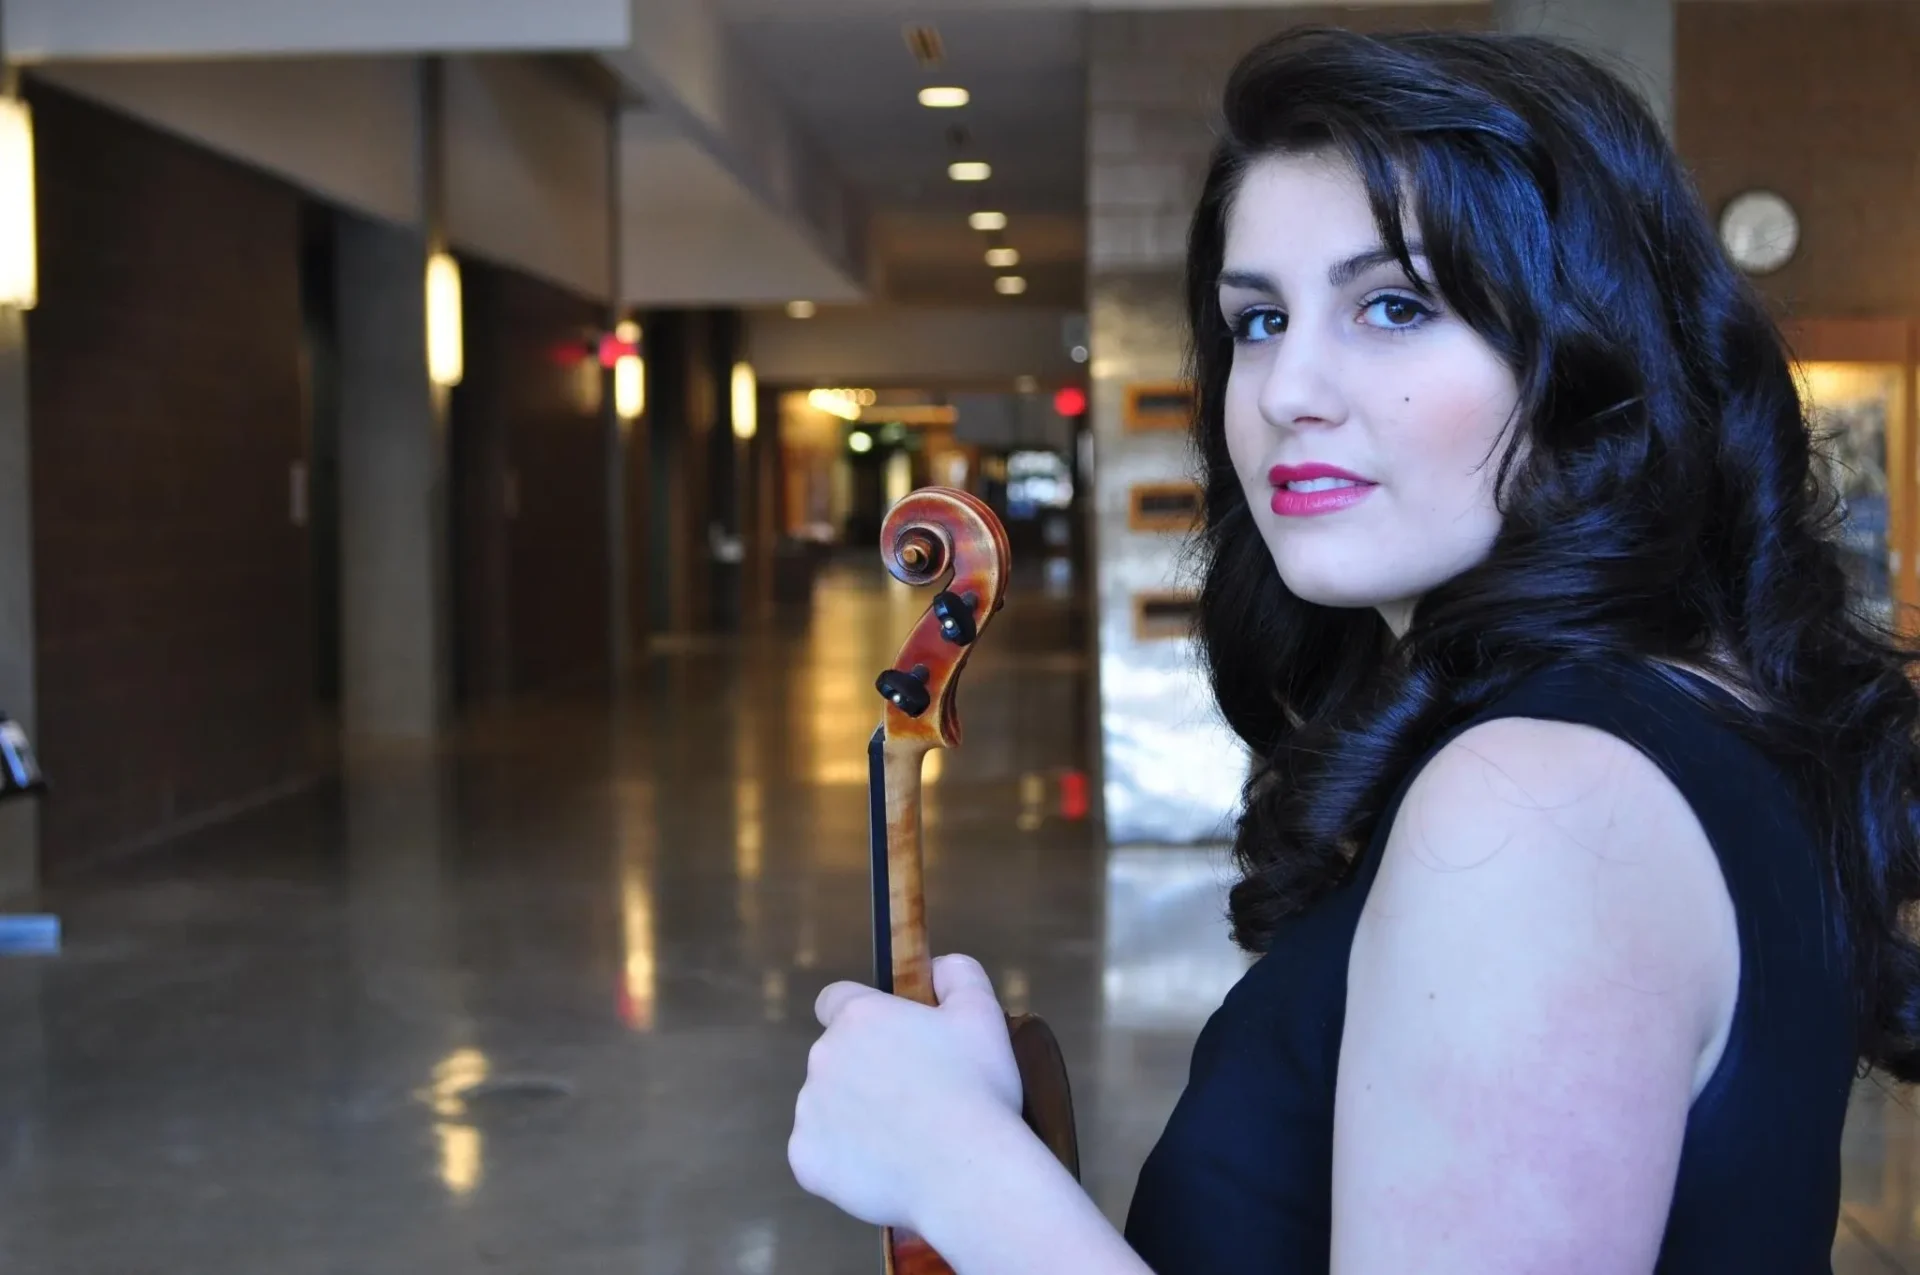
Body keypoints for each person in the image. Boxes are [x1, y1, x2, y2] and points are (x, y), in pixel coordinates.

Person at [788, 25, 1920, 1274]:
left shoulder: (1535, 803)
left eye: (1394, 306)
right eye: (1258, 320)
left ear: (1587, 362)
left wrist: (961, 1171)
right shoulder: (1679, 710)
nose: (1287, 390)